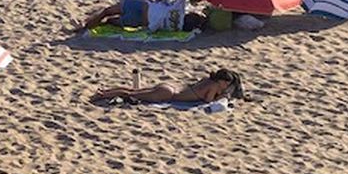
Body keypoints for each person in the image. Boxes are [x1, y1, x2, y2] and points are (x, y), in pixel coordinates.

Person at [93, 69, 242, 105]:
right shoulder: (215, 86)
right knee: (132, 95)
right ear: (221, 81)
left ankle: (105, 91)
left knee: (133, 91)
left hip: (169, 86)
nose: (226, 85)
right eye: (226, 83)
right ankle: (103, 95)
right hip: (169, 94)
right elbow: (208, 101)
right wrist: (222, 97)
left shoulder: (207, 79)